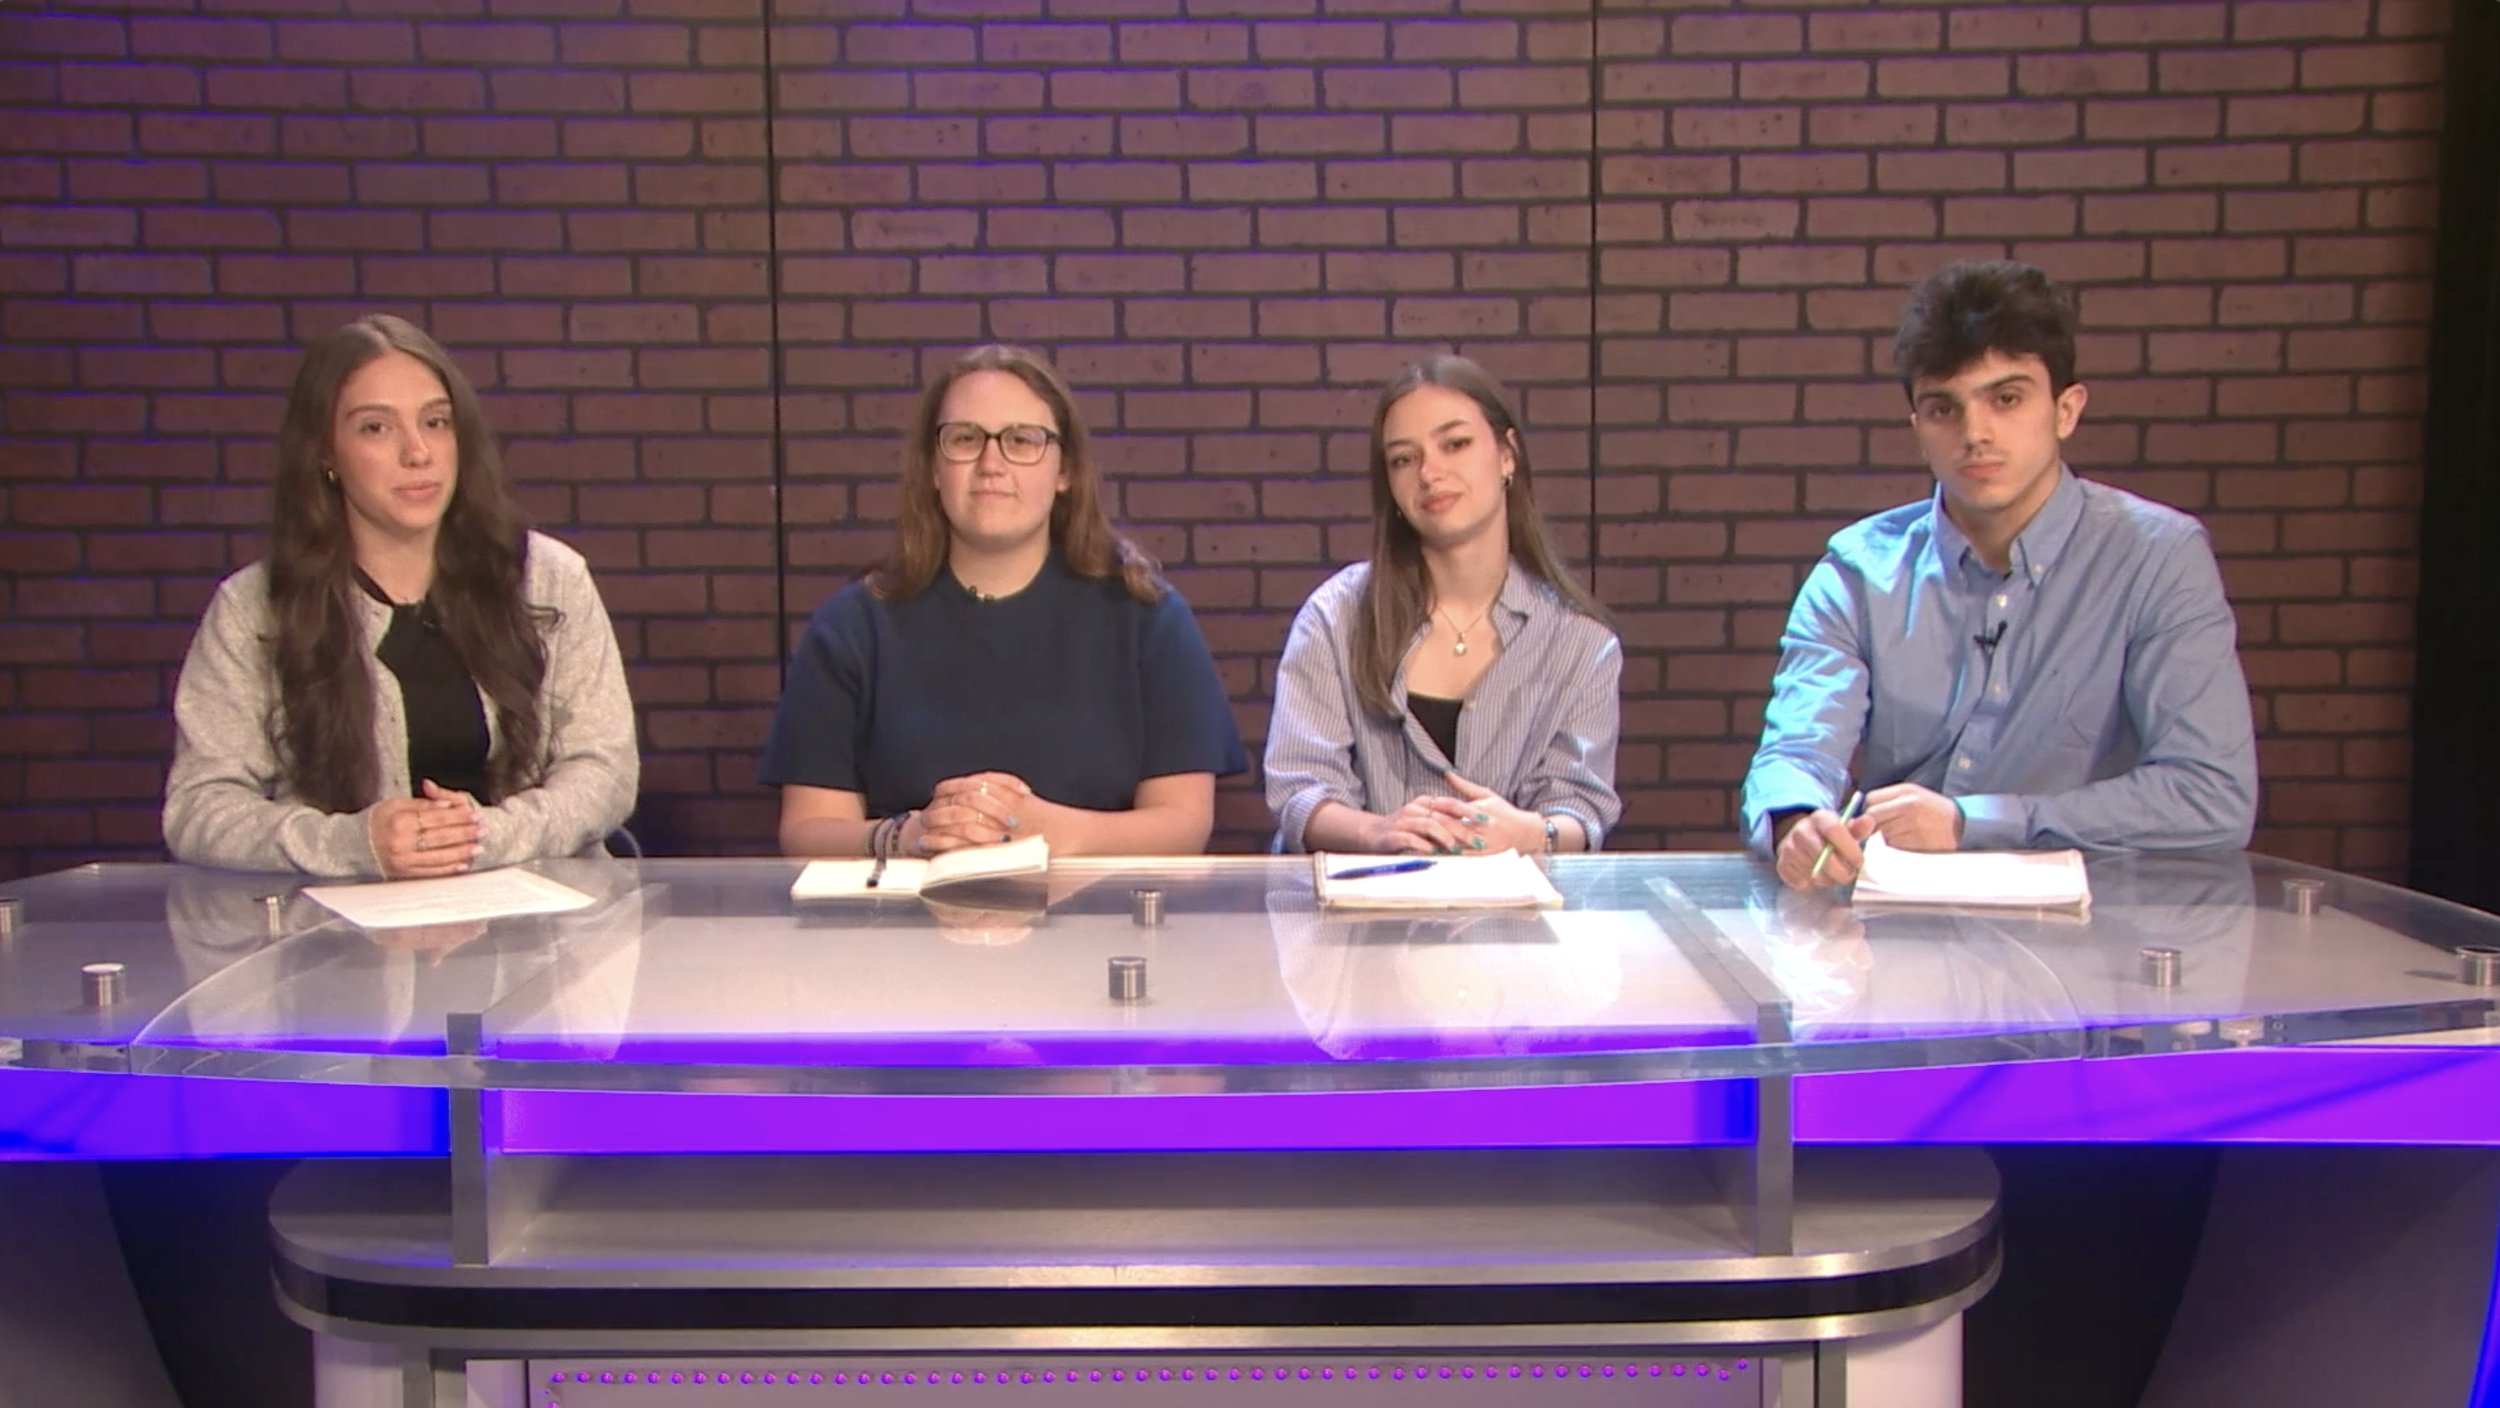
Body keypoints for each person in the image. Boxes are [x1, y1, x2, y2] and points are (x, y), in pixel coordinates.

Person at [1741, 260, 2258, 891]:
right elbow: (1796, 751)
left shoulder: (2158, 557)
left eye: (2006, 399)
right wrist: (1797, 820)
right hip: (1897, 936)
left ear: (2066, 410)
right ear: (1918, 431)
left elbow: (2211, 796)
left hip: (2094, 942)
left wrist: (1971, 823)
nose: (1975, 434)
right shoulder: (1858, 571)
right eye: (1943, 409)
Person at [162, 315, 638, 879]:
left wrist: (480, 836)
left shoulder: (549, 580)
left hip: (543, 937)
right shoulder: (255, 610)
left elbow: (604, 770)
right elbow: (199, 807)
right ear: (326, 454)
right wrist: (355, 843)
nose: (418, 453)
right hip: (333, 946)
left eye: (436, 422)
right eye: (376, 428)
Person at [761, 344, 1245, 859]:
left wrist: (1058, 835)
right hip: (900, 928)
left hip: (1098, 929)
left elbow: (1183, 823)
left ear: (1067, 472)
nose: (992, 463)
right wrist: (911, 835)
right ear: (932, 468)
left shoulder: (1147, 617)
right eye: (965, 439)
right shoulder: (851, 627)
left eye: (1022, 440)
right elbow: (807, 832)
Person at [1265, 355, 1623, 856]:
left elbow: (1579, 809)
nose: (1430, 473)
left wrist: (1530, 834)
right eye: (1404, 459)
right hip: (1353, 924)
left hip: (1510, 925)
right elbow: (1300, 791)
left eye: (1455, 444)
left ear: (1506, 455)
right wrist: (1377, 831)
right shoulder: (1335, 618)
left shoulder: (1582, 644)